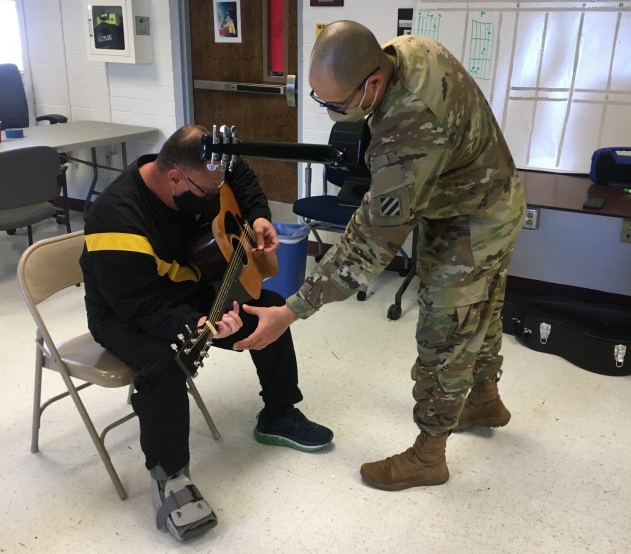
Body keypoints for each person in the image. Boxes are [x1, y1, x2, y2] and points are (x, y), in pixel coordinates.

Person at [234, 21, 526, 491]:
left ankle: (429, 456)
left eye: (335, 103)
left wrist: (291, 311)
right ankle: (485, 398)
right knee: (482, 308)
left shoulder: (408, 130)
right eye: (318, 98)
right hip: (472, 199)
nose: (329, 112)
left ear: (373, 83)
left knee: (445, 333)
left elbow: (370, 244)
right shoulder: (405, 50)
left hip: (475, 221)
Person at [80, 125, 333, 541]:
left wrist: (257, 215)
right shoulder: (116, 220)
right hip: (122, 311)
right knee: (163, 363)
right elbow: (138, 307)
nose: (215, 196)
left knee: (267, 308)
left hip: (187, 283)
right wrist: (197, 323)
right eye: (206, 191)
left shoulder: (203, 171)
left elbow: (239, 175)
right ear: (176, 178)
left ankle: (278, 415)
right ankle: (170, 476)